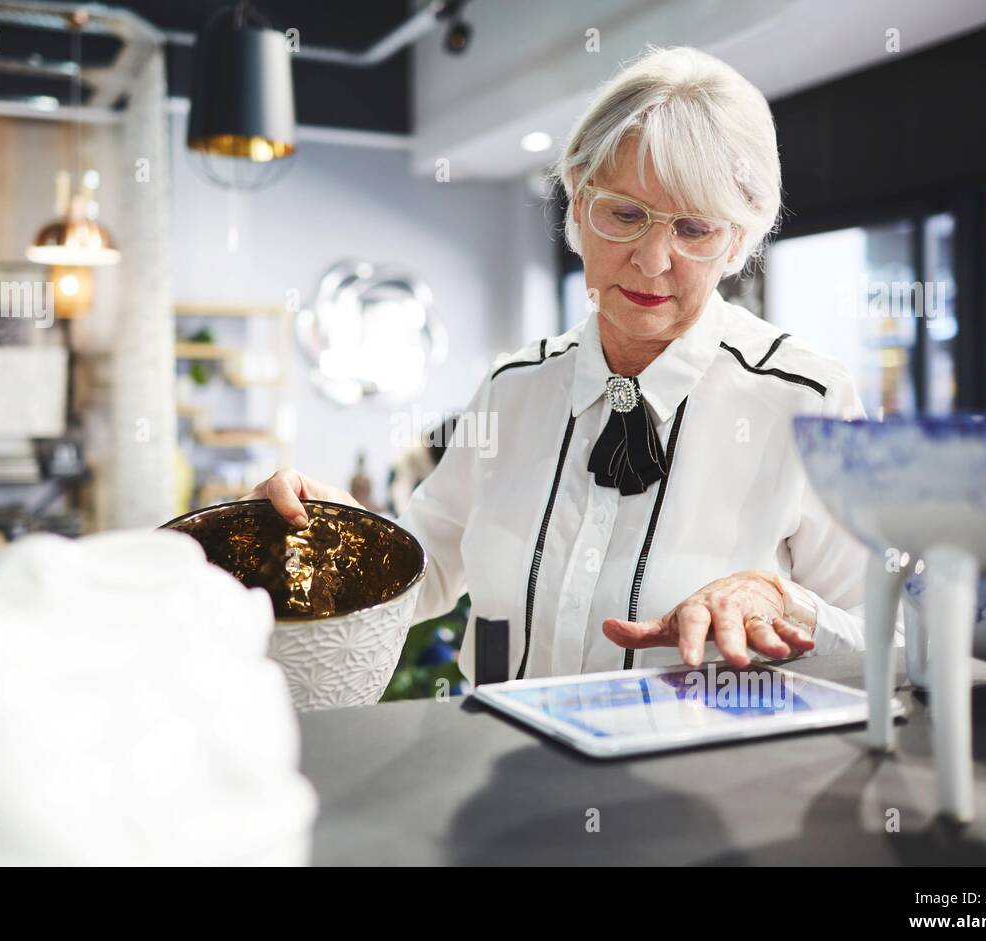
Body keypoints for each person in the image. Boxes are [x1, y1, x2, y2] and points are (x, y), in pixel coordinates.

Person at [246, 46, 895, 683]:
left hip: (701, 782)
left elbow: (894, 644)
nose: (652, 259)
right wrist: (331, 531)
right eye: (625, 214)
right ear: (579, 205)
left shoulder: (808, 400)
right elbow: (427, 571)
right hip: (500, 774)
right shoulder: (513, 389)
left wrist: (783, 602)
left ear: (738, 243)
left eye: (694, 228)